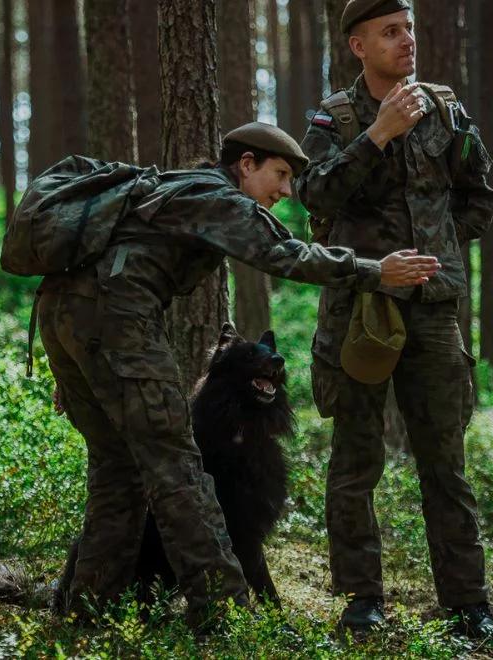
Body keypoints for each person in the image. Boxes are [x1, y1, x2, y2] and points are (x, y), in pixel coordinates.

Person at [37, 122, 441, 630]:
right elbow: (285, 254)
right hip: (112, 323)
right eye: (280, 174)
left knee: (118, 471)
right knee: (177, 467)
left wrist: (81, 361)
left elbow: (116, 268)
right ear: (245, 165)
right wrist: (374, 270)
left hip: (70, 318)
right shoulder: (219, 197)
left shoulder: (175, 186)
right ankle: (223, 611)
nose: (286, 191)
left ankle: (86, 610)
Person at [295, 0, 493, 642]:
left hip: (435, 312)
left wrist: (441, 254)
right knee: (355, 461)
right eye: (391, 32)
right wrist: (377, 134)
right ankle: (362, 599)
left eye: (409, 28)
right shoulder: (332, 118)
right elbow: (314, 195)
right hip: (360, 308)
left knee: (446, 463)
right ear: (359, 46)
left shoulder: (445, 109)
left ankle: (469, 606)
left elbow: (481, 192)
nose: (407, 41)